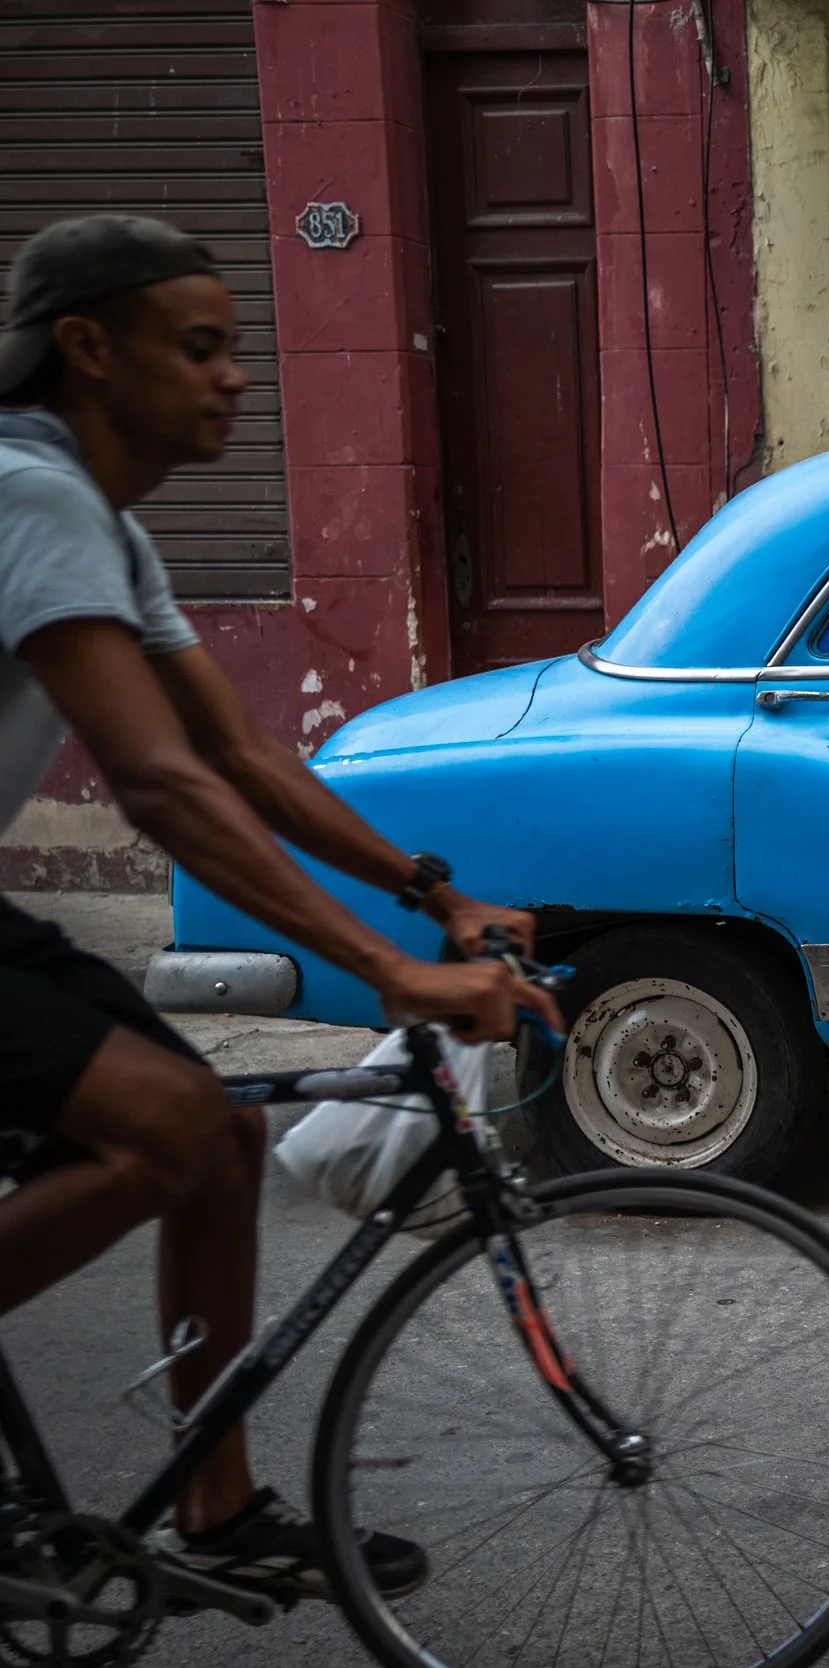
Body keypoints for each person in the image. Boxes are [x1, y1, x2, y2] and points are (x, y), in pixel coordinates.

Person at [0, 215, 562, 1600]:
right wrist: (390, 970)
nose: (237, 377)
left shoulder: (104, 527)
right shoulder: (29, 491)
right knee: (172, 1122)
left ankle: (218, 1507)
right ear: (88, 348)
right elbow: (158, 784)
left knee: (222, 1149)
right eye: (200, 347)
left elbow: (246, 760)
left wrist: (435, 897)